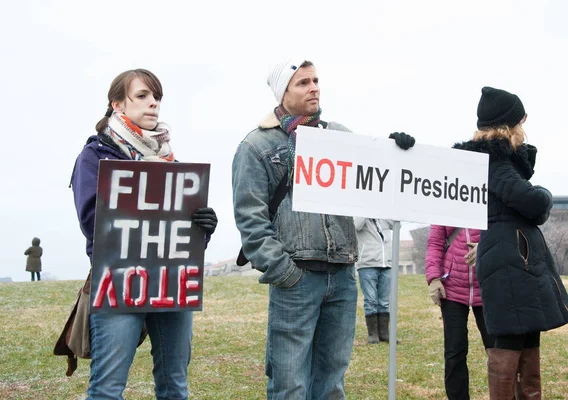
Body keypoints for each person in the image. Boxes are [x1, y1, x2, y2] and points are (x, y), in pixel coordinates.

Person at [231, 58, 415, 399]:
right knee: (290, 383)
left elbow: (378, 178)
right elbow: (250, 220)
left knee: (332, 381)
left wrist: (395, 150)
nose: (314, 87)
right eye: (302, 83)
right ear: (282, 92)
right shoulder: (256, 146)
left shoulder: (341, 136)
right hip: (296, 278)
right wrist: (285, 272)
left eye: (316, 80)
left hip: (343, 275)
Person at [70, 69, 218, 400]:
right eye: (142, 96)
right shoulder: (95, 156)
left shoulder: (170, 160)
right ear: (118, 104)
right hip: (120, 281)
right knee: (108, 388)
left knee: (175, 385)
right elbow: (92, 221)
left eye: (157, 97)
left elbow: (182, 234)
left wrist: (201, 227)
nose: (153, 103)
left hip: (171, 281)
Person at [452, 86, 568, 399]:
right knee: (509, 343)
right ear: (509, 125)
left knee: (528, 344)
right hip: (510, 263)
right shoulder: (496, 164)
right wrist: (543, 192)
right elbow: (533, 204)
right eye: (521, 119)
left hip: (517, 261)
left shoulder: (501, 163)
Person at [425, 226, 494, 399]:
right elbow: (435, 242)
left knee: (498, 351)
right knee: (454, 353)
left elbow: (502, 232)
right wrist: (433, 278)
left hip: (488, 285)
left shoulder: (493, 199)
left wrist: (486, 246)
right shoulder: (445, 201)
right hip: (452, 288)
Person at [354, 218, 395, 344]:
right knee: (371, 300)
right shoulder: (361, 215)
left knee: (384, 301)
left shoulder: (383, 216)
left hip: (387, 263)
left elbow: (396, 224)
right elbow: (356, 225)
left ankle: (384, 333)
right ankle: (373, 334)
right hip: (367, 264)